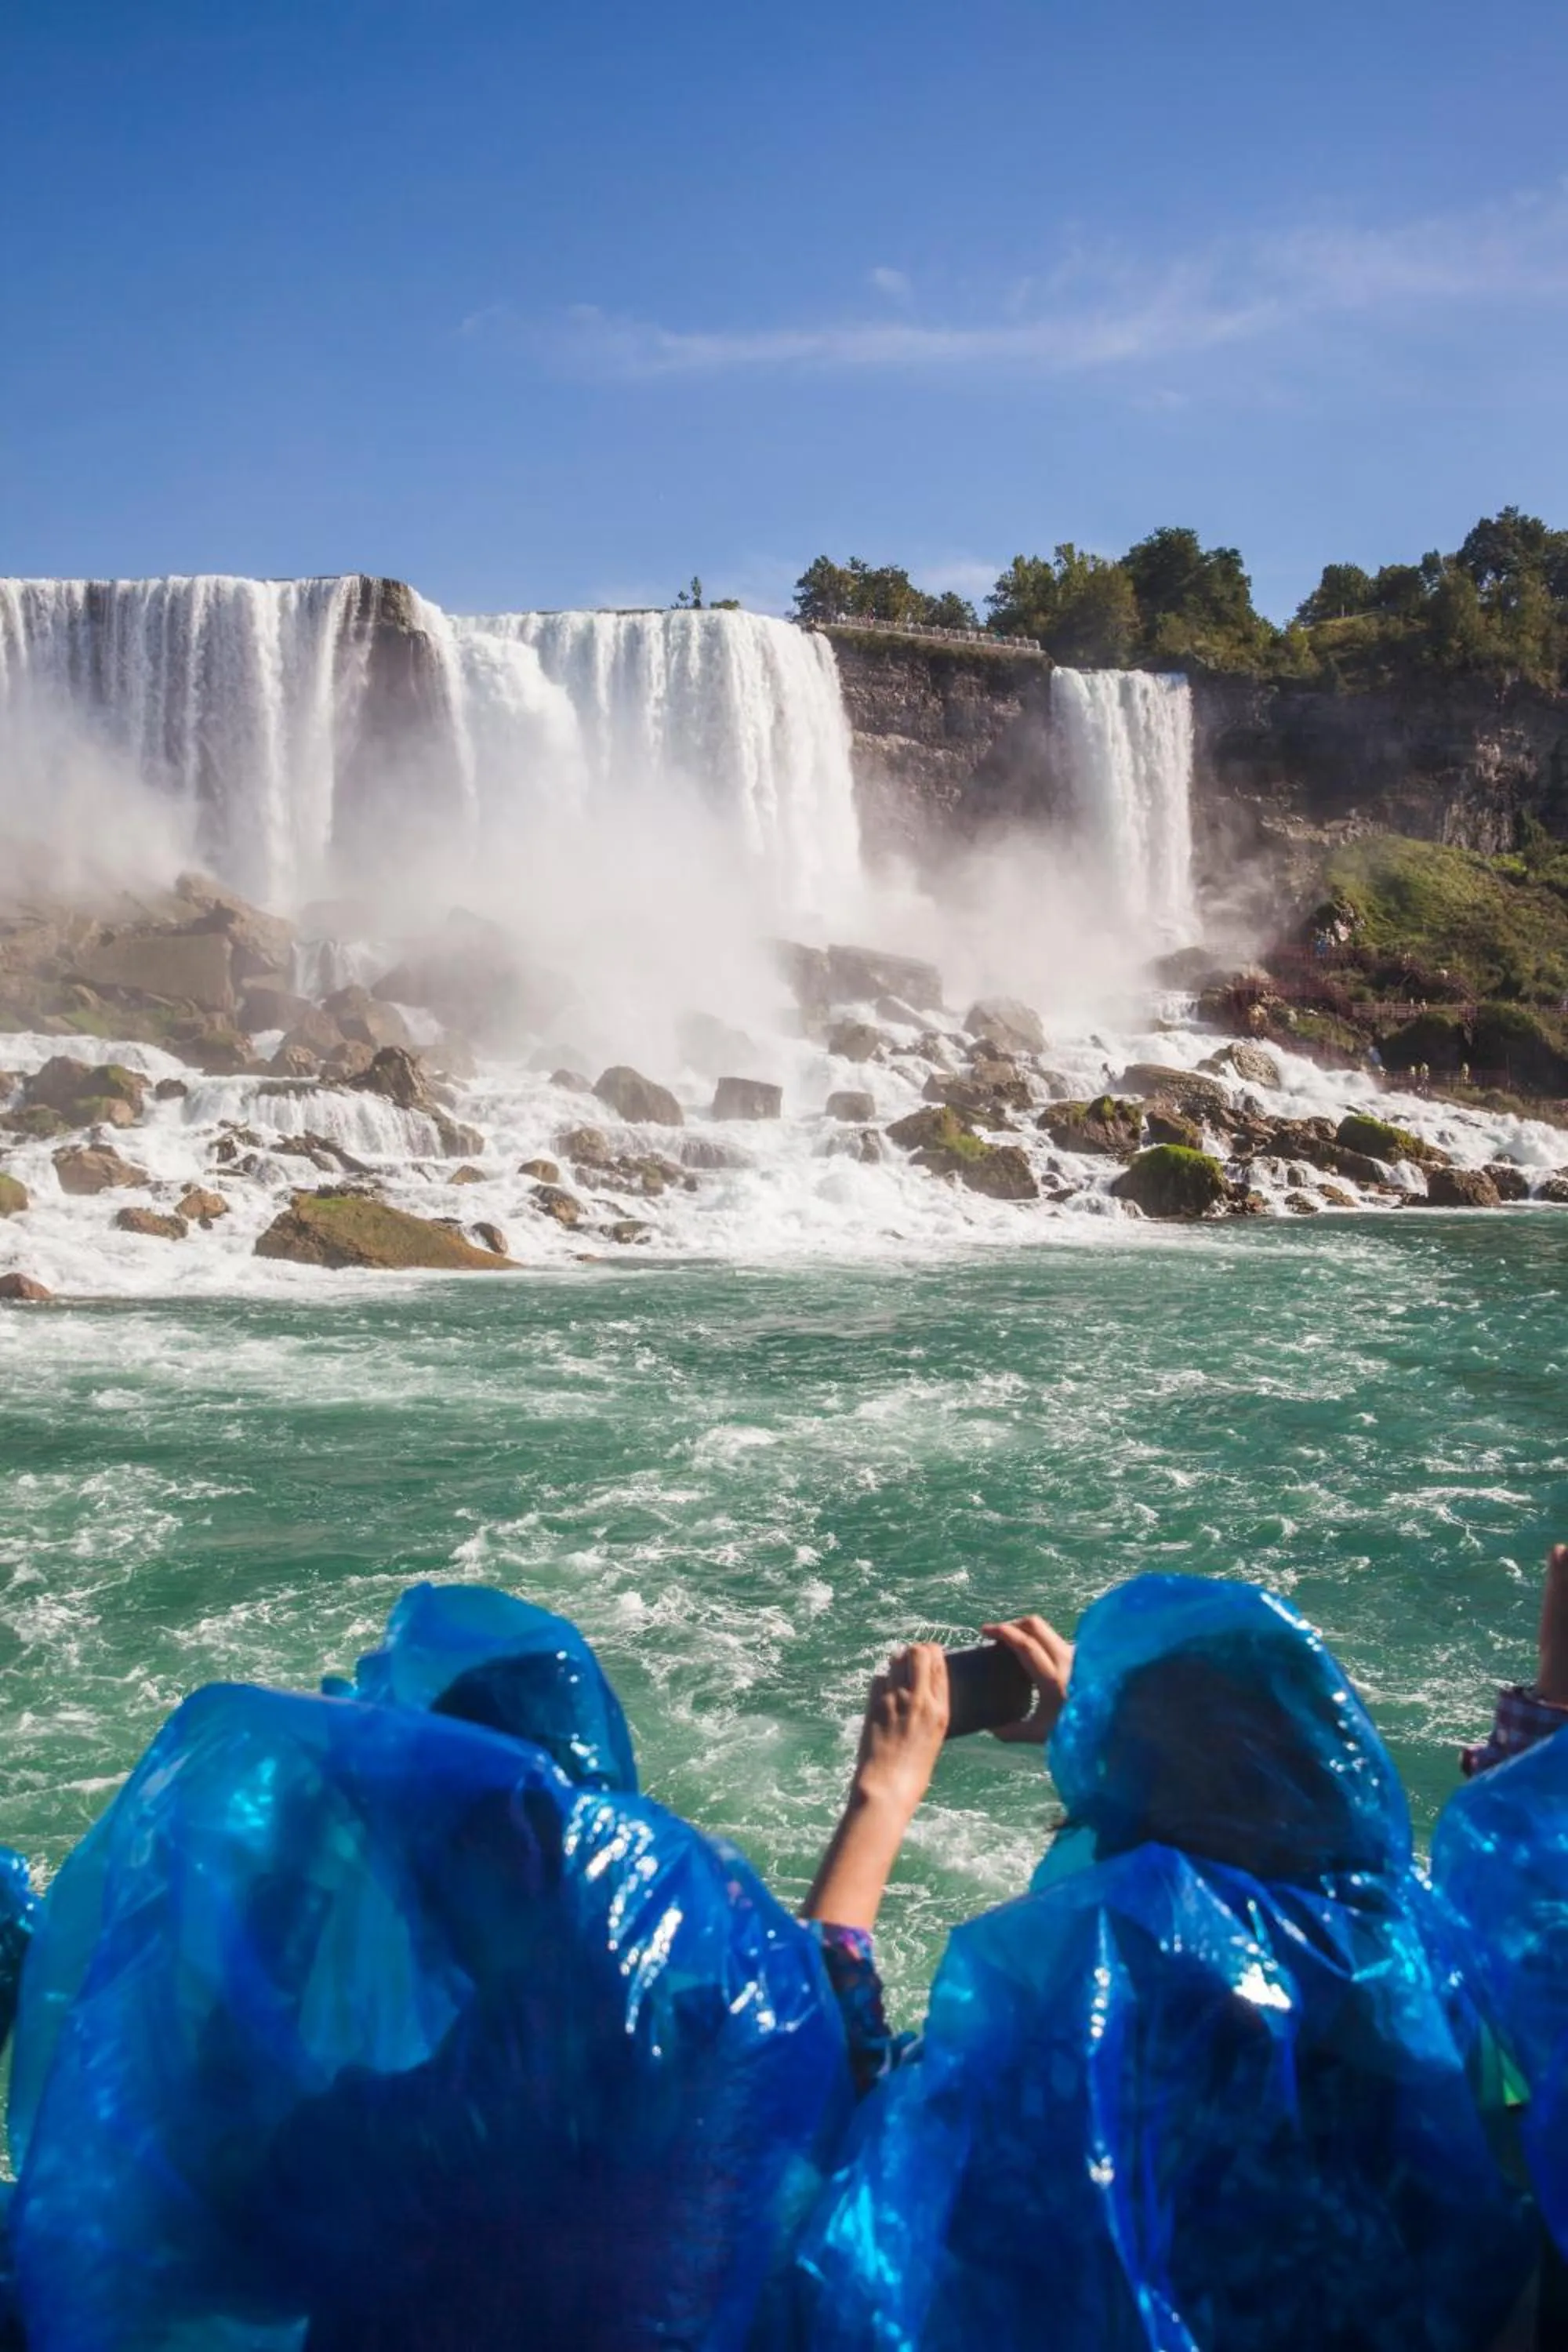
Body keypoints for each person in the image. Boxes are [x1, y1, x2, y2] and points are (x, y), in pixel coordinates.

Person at [797, 1579, 1536, 2350]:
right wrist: (1107, 1757)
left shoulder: (1120, 2022)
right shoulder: (1419, 1953)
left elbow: (831, 2086)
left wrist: (883, 1789)